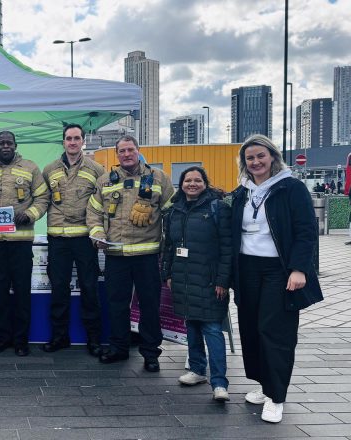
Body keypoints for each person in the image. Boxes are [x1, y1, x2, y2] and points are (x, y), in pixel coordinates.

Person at [231, 134, 323, 423]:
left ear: (272, 156)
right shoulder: (241, 192)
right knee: (251, 328)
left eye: (261, 155)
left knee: (275, 331)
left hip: (278, 270)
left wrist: (299, 269)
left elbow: (306, 231)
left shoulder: (290, 188)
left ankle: (276, 396)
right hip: (247, 269)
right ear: (244, 163)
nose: (256, 162)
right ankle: (263, 384)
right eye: (250, 158)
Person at [86, 135, 174, 372]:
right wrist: (97, 234)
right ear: (117, 155)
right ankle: (118, 348)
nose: (126, 154)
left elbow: (171, 213)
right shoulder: (105, 180)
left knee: (149, 305)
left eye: (130, 150)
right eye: (122, 151)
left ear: (138, 151)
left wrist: (170, 248)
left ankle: (150, 353)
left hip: (147, 255)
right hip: (116, 256)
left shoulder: (158, 178)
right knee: (116, 304)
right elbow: (93, 212)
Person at [0, 131, 49, 356]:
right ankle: (2, 337)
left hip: (21, 242)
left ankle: (21, 340)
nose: (5, 146)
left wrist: (30, 214)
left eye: (9, 143)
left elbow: (42, 197)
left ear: (15, 145)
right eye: (1, 143)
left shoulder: (30, 167)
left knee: (22, 292)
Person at [161, 166, 232, 401]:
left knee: (212, 328)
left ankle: (220, 383)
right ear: (181, 184)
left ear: (205, 183)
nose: (192, 184)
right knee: (191, 325)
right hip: (183, 278)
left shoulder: (217, 208)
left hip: (210, 280)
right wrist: (168, 275)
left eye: (197, 180)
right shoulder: (173, 211)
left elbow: (227, 248)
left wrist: (223, 280)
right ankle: (198, 370)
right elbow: (169, 247)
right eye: (187, 180)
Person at [41, 124, 105, 356]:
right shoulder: (49, 170)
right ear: (63, 141)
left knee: (89, 288)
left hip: (85, 239)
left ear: (83, 141)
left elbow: (104, 203)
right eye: (69, 138)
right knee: (59, 289)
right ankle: (59, 337)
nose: (72, 142)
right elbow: (40, 199)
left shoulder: (97, 169)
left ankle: (94, 339)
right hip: (58, 239)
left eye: (77, 138)